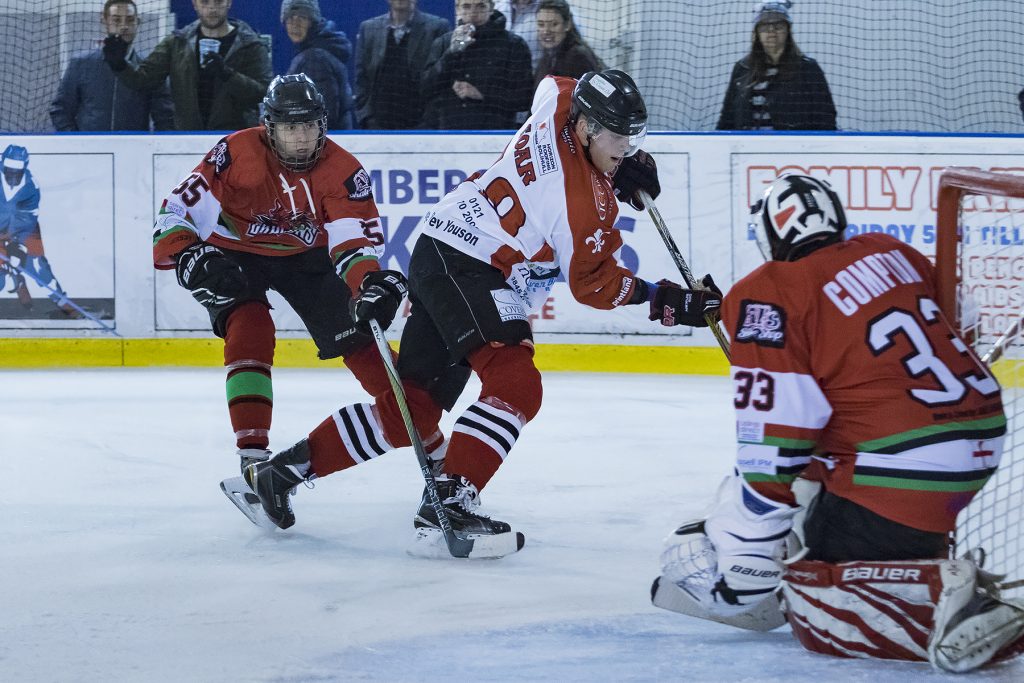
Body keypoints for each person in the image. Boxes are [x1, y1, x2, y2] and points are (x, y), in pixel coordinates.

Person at [236, 69, 721, 560]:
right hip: (473, 265)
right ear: (589, 127)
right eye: (619, 135)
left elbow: (554, 81)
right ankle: (447, 503)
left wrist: (621, 163)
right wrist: (673, 301)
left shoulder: (559, 104)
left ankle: (279, 475)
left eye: (633, 136)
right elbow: (594, 285)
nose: (627, 145)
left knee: (416, 408)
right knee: (516, 385)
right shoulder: (581, 204)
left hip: (438, 246)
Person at [654, 174, 1024, 673]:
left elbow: (778, 436)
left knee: (817, 600)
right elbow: (969, 320)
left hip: (902, 460)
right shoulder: (891, 250)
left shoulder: (766, 292)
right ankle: (917, 562)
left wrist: (746, 553)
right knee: (821, 492)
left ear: (769, 235)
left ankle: (942, 601)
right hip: (980, 431)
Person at [152, 74, 406, 472]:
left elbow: (352, 244)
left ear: (323, 125)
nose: (302, 138)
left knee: (361, 336)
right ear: (269, 129)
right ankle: (252, 457)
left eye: (309, 125)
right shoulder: (235, 153)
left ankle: (426, 434)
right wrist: (186, 254)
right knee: (249, 327)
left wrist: (367, 284)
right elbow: (177, 212)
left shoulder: (344, 171)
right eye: (290, 127)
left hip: (310, 258)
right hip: (235, 251)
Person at [102, 0, 272, 131]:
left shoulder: (250, 45)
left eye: (218, 2)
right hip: (188, 139)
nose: (212, 8)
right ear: (195, 4)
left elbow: (263, 93)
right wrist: (120, 65)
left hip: (235, 138)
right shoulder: (176, 43)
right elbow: (144, 80)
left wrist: (228, 75)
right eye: (205, 2)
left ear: (228, 2)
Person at [49, 0, 174, 132]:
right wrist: (78, 143)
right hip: (91, 150)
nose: (124, 26)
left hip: (134, 150)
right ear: (105, 20)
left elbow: (165, 118)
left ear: (138, 22)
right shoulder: (81, 64)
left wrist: (155, 147)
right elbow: (60, 110)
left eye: (130, 20)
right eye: (116, 20)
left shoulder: (150, 68)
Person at [717, 1, 836, 131]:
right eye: (764, 26)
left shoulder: (808, 69)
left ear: (788, 31)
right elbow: (727, 117)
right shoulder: (742, 68)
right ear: (756, 33)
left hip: (791, 147)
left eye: (778, 26)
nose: (771, 31)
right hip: (747, 147)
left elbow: (826, 116)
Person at [420, 0, 533, 130]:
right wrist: (451, 53)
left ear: (491, 9)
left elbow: (523, 98)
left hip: (496, 133)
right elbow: (425, 89)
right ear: (457, 10)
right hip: (448, 133)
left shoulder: (514, 45)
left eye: (481, 6)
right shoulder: (444, 42)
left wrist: (482, 94)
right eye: (466, 6)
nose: (473, 13)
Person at [0, 145, 78, 315]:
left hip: (24, 229)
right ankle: (16, 278)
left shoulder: (31, 187)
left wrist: (18, 248)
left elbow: (26, 220)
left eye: (17, 171)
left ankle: (61, 300)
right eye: (9, 169)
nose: (12, 175)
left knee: (36, 264)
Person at [355, 0, 450, 129]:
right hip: (377, 124)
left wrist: (431, 119)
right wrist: (366, 117)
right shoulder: (368, 28)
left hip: (423, 122)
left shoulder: (437, 27)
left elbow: (443, 76)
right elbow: (361, 77)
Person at [281, 0, 355, 130]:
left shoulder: (315, 58)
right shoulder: (315, 50)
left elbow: (322, 114)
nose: (295, 24)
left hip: (321, 143)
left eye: (302, 18)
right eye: (290, 18)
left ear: (312, 22)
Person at [532, 0, 603, 89]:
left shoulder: (578, 56)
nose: (546, 31)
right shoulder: (547, 56)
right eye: (541, 24)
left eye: (554, 24)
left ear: (567, 25)